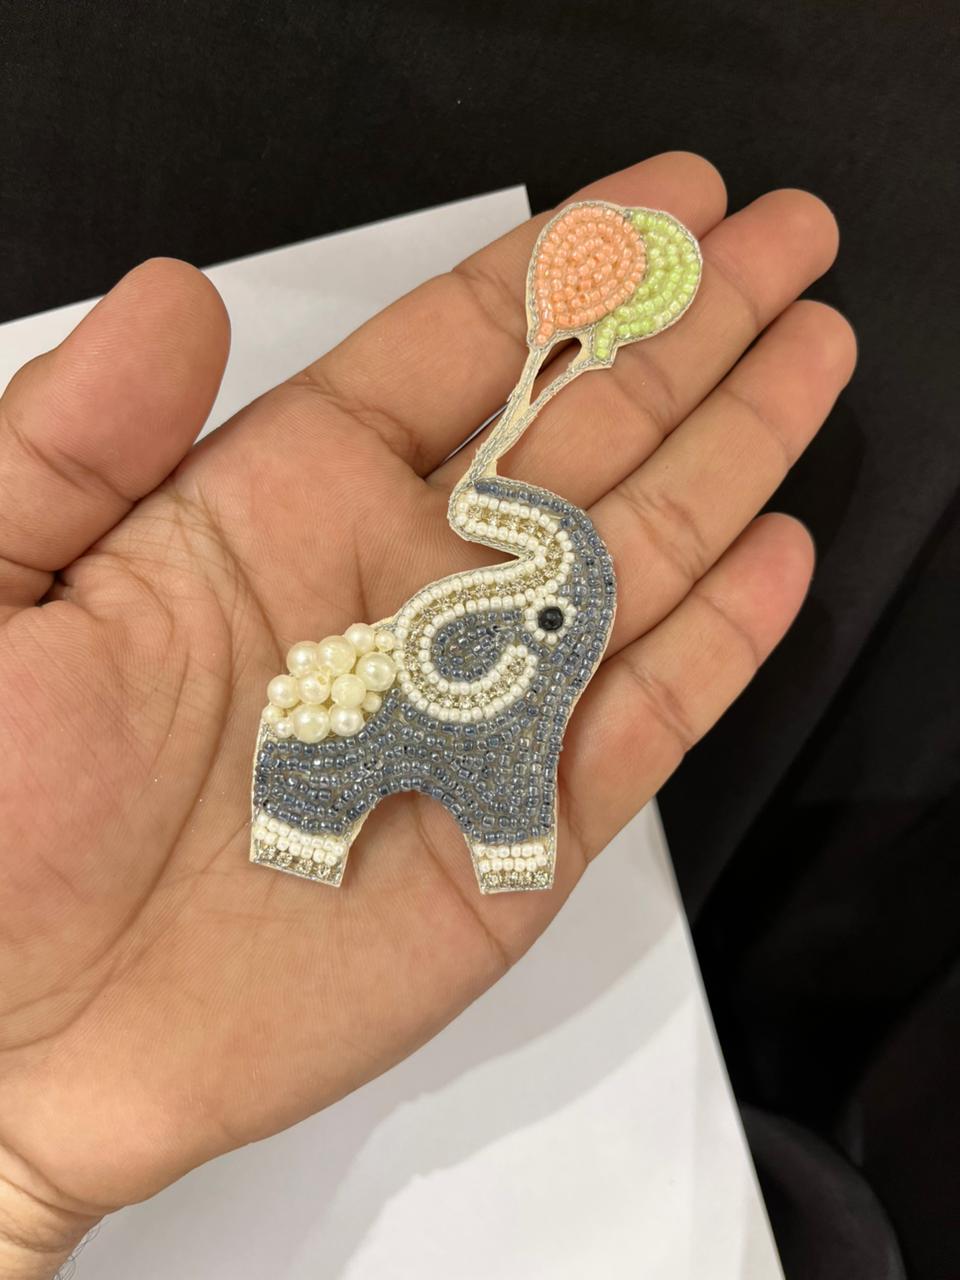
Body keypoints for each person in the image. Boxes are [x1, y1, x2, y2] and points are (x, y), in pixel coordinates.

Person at [0, 152, 853, 1278]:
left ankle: (479, 832)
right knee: (420, 772)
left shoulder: (515, 628)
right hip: (393, 694)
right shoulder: (441, 649)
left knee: (507, 782)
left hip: (466, 660)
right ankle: (362, 823)